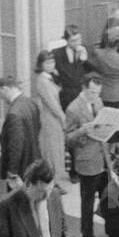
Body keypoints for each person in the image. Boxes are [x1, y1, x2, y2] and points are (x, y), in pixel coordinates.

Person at [65, 73, 107, 237]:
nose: (95, 96)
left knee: (106, 195)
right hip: (86, 159)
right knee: (88, 199)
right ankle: (87, 233)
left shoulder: (98, 102)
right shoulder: (73, 108)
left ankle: (109, 227)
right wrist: (83, 130)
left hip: (102, 155)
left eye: (97, 92)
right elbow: (68, 138)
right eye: (91, 92)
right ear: (84, 88)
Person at [33, 50, 70, 190]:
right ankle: (51, 183)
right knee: (51, 152)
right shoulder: (42, 81)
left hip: (55, 118)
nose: (50, 65)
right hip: (50, 119)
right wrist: (63, 119)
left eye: (52, 62)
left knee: (57, 150)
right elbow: (52, 104)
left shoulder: (50, 77)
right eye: (47, 62)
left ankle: (55, 181)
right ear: (40, 64)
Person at [0, 74, 42, 190]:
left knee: (18, 205)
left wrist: (12, 172)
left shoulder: (14, 114)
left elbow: (16, 145)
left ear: (5, 89)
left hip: (21, 170)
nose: (2, 99)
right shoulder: (31, 103)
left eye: (1, 95)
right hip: (34, 162)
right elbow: (38, 128)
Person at [55, 25, 91, 110]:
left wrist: (84, 60)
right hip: (66, 97)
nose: (77, 43)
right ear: (66, 40)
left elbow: (94, 70)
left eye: (79, 39)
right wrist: (79, 62)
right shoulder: (57, 54)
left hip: (82, 95)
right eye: (73, 41)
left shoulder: (85, 49)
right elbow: (70, 77)